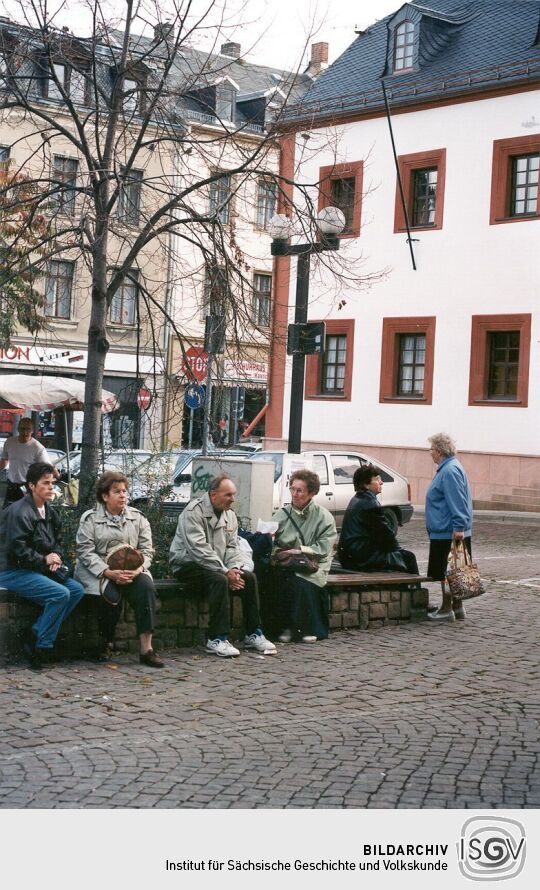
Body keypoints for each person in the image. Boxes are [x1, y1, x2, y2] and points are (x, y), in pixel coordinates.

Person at [169, 473, 276, 657]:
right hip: (187, 565)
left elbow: (233, 546)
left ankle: (253, 633)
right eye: (228, 495)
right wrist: (226, 572)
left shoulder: (230, 516)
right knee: (219, 580)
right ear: (213, 495)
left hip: (217, 567)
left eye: (233, 495)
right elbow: (198, 550)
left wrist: (235, 569)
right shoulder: (193, 512)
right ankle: (217, 638)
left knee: (249, 577)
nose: (232, 499)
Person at [0, 461, 85, 670]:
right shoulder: (19, 512)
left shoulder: (49, 511)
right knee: (59, 594)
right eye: (45, 483)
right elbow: (16, 549)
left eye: (52, 483)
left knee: (76, 590)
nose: (50, 487)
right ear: (31, 485)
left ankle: (36, 630)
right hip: (11, 570)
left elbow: (58, 541)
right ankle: (42, 647)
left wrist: (56, 556)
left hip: (36, 568)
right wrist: (44, 560)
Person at [75, 470, 164, 667]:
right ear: (105, 496)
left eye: (124, 491)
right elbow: (85, 551)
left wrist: (138, 570)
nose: (123, 495)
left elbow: (148, 551)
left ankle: (146, 649)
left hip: (133, 570)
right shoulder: (90, 519)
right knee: (110, 594)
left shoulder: (138, 518)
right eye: (117, 491)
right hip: (99, 571)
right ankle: (105, 642)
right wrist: (108, 572)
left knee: (146, 589)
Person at [271, 469, 337, 644]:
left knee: (302, 581)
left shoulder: (324, 516)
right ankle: (285, 627)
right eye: (292, 489)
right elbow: (271, 541)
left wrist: (300, 550)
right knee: (276, 578)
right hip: (288, 563)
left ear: (312, 493)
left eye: (299, 490)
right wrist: (279, 551)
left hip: (314, 563)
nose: (294, 494)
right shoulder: (282, 514)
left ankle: (307, 629)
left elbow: (325, 546)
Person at [425, 433, 473, 622]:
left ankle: (446, 609)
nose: (430, 454)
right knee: (455, 570)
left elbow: (457, 501)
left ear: (439, 451)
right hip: (449, 529)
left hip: (448, 531)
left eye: (431, 450)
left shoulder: (450, 471)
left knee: (448, 572)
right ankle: (457, 607)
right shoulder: (451, 467)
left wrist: (459, 526)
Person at [338, 463, 419, 574]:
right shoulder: (369, 503)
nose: (381, 482)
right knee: (408, 557)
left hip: (351, 555)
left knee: (401, 556)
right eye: (377, 479)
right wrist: (398, 551)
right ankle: (413, 589)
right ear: (366, 485)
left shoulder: (358, 499)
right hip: (360, 558)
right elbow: (386, 535)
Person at [0, 418, 49, 506]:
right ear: (18, 429)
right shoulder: (10, 442)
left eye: (28, 429)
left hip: (28, 487)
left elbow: (46, 469)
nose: (25, 432)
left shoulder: (38, 448)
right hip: (12, 485)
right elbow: (4, 461)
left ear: (32, 431)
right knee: (8, 515)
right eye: (22, 429)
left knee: (25, 516)